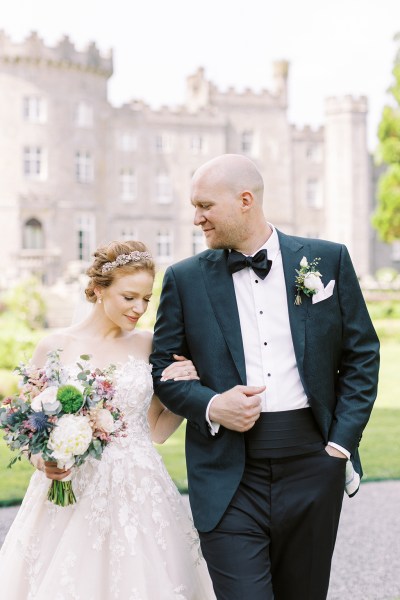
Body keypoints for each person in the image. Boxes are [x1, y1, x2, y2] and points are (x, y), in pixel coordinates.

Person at [150, 153, 380, 600]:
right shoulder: (184, 279)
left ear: (245, 200)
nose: (196, 218)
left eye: (204, 206)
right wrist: (213, 405)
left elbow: (362, 357)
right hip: (227, 473)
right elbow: (163, 369)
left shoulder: (326, 260)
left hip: (314, 463)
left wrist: (339, 446)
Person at [0, 240, 215, 600]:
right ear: (99, 290)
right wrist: (44, 461)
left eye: (147, 298)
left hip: (139, 490)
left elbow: (158, 431)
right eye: (129, 297)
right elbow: (26, 429)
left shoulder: (149, 345)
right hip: (70, 492)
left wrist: (184, 390)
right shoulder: (53, 346)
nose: (140, 308)